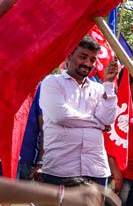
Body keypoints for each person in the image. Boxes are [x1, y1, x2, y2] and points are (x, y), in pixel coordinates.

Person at [37, 39, 118, 187]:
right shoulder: (52, 82)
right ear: (69, 56)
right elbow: (60, 116)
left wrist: (108, 84)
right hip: (60, 170)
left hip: (96, 169)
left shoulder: (99, 89)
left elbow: (107, 120)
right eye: (83, 56)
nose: (88, 63)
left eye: (92, 59)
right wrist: (97, 124)